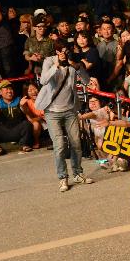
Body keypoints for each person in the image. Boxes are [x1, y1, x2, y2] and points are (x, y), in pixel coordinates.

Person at [38, 40, 94, 192]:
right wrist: (56, 65)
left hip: (70, 110)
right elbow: (43, 80)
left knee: (76, 143)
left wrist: (76, 65)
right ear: (55, 52)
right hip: (52, 111)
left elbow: (86, 80)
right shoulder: (49, 62)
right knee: (59, 145)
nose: (62, 53)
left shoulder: (72, 64)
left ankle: (77, 173)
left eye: (65, 51)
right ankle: (63, 177)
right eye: (59, 51)